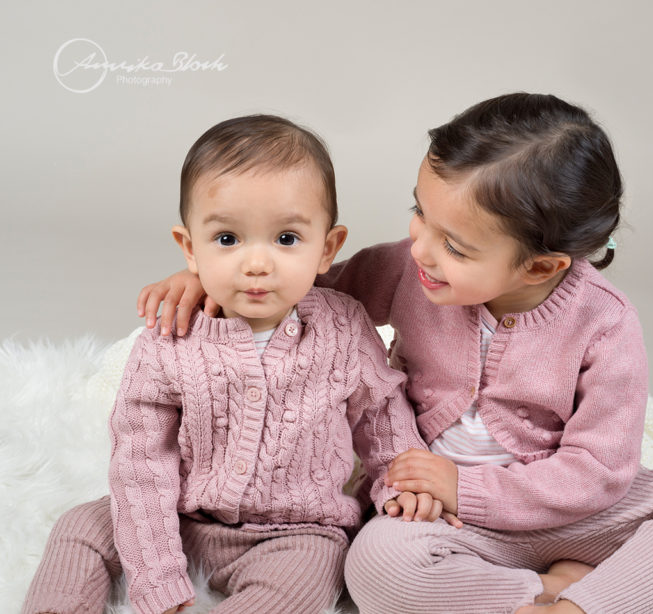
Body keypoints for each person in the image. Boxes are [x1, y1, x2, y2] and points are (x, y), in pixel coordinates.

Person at [135, 94, 653, 614]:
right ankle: (557, 592)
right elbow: (302, 282)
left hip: (565, 512)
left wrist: (469, 487)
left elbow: (600, 472)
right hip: (442, 522)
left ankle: (578, 606)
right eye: (419, 213)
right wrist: (203, 278)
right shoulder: (411, 270)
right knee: (375, 568)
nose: (422, 249)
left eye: (455, 246)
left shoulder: (604, 323)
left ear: (540, 264)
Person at [22, 115, 442, 614]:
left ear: (327, 248)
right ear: (189, 248)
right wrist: (158, 578)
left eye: (287, 239)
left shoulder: (345, 328)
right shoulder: (171, 337)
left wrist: (401, 485)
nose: (257, 264)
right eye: (227, 240)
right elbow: (140, 462)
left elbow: (382, 419)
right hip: (184, 517)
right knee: (81, 527)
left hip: (297, 533)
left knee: (306, 579)